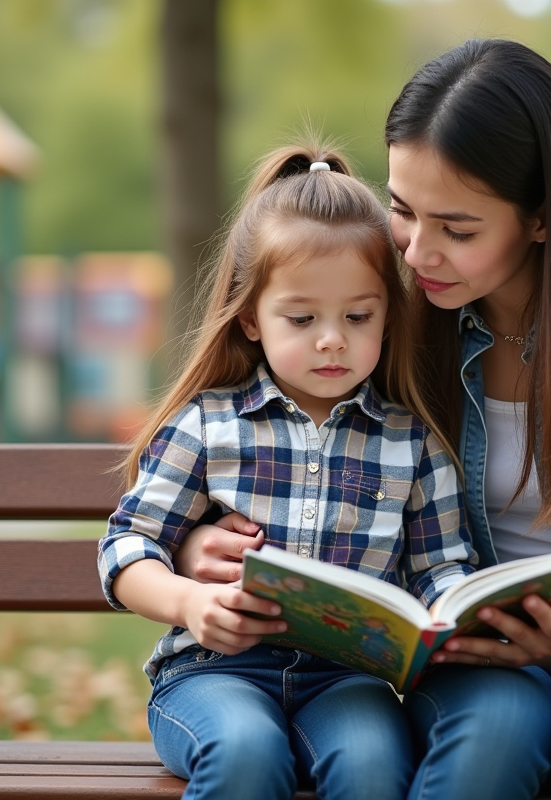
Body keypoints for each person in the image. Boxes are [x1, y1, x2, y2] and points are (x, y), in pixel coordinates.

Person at [180, 39, 551, 800]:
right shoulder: (388, 311)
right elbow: (277, 425)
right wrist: (205, 533)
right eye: (402, 211)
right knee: (492, 737)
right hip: (486, 656)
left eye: (457, 229)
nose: (419, 251)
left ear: (540, 218)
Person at [98, 142, 477, 800]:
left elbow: (443, 567)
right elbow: (127, 548)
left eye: (358, 317)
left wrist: (451, 610)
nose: (332, 338)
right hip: (213, 675)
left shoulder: (412, 445)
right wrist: (188, 601)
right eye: (302, 318)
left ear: (388, 316)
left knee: (373, 765)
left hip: (346, 681)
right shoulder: (206, 427)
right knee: (247, 752)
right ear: (251, 317)